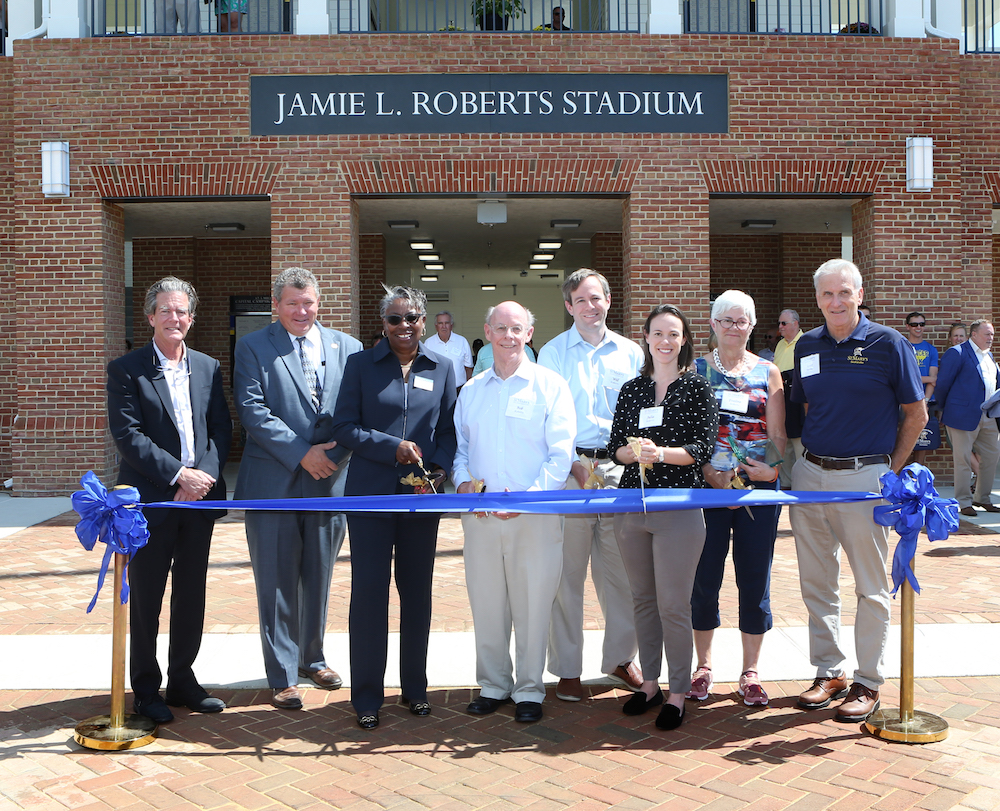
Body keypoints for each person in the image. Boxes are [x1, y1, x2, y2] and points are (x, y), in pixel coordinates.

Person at [790, 259, 925, 723]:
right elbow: (806, 408)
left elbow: (916, 414)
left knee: (871, 587)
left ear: (860, 294)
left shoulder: (890, 344)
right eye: (827, 294)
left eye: (844, 292)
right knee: (817, 582)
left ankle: (869, 680)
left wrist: (889, 470)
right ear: (817, 299)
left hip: (865, 480)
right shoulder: (806, 345)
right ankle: (829, 671)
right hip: (810, 477)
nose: (836, 302)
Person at [234, 267, 363, 710]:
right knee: (276, 580)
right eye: (292, 303)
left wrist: (333, 457)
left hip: (331, 481)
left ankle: (313, 657)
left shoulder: (349, 347)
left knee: (319, 574)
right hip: (273, 481)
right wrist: (301, 453)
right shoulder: (253, 346)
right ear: (277, 305)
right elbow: (252, 411)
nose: (301, 311)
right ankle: (282, 673)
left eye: (308, 303)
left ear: (319, 303)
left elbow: (358, 411)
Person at [332, 286, 457, 730]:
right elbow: (343, 426)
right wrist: (392, 448)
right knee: (369, 594)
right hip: (370, 495)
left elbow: (447, 429)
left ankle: (415, 689)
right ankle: (366, 696)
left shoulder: (442, 368)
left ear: (425, 321)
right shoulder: (360, 366)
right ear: (382, 324)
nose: (405, 327)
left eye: (413, 318)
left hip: (421, 499)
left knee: (417, 592)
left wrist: (438, 469)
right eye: (395, 319)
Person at [107, 277, 232, 724]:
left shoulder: (209, 366)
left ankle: (182, 680)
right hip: (152, 504)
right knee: (147, 598)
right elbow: (129, 437)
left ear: (191, 319)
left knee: (191, 593)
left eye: (181, 312)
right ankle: (145, 688)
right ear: (150, 317)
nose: (174, 318)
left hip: (197, 502)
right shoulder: (127, 369)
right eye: (166, 310)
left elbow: (220, 430)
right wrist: (179, 475)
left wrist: (204, 479)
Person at [453, 301, 576, 724]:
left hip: (536, 516)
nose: (508, 336)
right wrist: (462, 481)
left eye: (517, 328)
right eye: (501, 328)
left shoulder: (551, 386)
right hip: (482, 517)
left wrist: (528, 499)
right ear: (487, 331)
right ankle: (492, 684)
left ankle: (528, 688)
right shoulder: (470, 391)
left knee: (533, 603)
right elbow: (461, 452)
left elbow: (561, 455)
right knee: (487, 602)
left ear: (529, 333)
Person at [610, 304, 718, 732]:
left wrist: (660, 453)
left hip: (679, 507)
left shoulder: (697, 389)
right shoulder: (632, 389)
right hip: (632, 507)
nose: (665, 341)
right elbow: (616, 446)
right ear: (647, 339)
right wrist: (635, 452)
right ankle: (649, 684)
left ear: (685, 339)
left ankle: (677, 692)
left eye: (674, 334)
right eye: (658, 333)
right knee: (643, 599)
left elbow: (702, 448)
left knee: (674, 604)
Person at [538, 269, 643, 702]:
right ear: (569, 307)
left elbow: (643, 411)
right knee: (567, 575)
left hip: (620, 469)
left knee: (622, 573)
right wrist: (573, 464)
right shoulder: (552, 353)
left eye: (596, 298)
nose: (590, 306)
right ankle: (567, 668)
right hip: (571, 471)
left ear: (608, 301)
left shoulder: (633, 353)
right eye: (581, 300)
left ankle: (621, 656)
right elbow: (548, 419)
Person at [690, 291, 785, 707]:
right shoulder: (694, 371)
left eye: (741, 320)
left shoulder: (769, 371)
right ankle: (703, 666)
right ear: (712, 324)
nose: (733, 326)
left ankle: (750, 672)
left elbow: (779, 434)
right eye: (726, 320)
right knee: (703, 578)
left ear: (750, 325)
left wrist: (774, 469)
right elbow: (685, 435)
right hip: (707, 490)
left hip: (757, 490)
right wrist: (707, 474)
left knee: (754, 578)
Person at [935, 319, 1000, 517]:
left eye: (992, 334)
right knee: (963, 460)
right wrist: (942, 410)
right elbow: (943, 384)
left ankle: (982, 498)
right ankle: (963, 502)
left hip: (988, 415)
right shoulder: (957, 353)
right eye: (987, 334)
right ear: (974, 334)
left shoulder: (988, 356)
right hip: (961, 415)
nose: (991, 338)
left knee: (991, 456)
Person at [773, 309, 804, 489]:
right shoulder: (780, 345)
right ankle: (785, 483)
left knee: (799, 444)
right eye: (779, 323)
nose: (780, 327)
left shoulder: (805, 342)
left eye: (783, 323)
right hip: (781, 397)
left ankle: (801, 484)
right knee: (785, 444)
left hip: (797, 399)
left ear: (795, 324)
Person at [903, 311, 939, 465]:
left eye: (921, 324)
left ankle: (917, 473)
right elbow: (903, 376)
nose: (918, 327)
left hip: (925, 399)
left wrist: (926, 400)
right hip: (904, 399)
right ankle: (899, 474)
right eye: (914, 324)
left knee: (923, 438)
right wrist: (927, 379)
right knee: (904, 436)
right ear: (907, 327)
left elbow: (934, 379)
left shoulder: (931, 349)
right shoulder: (902, 347)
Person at [424, 310, 473, 389]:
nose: (444, 326)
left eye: (447, 323)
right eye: (440, 323)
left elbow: (468, 367)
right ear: (436, 326)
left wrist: (468, 388)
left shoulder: (462, 341)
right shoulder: (428, 343)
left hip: (459, 389)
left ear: (451, 325)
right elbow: (424, 369)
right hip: (437, 390)